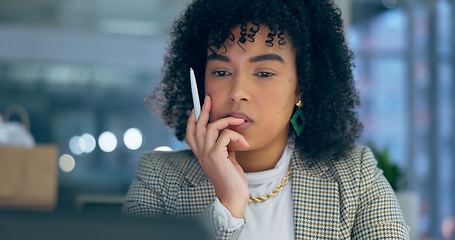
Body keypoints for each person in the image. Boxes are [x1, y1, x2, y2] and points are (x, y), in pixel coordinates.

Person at [122, 0, 410, 239]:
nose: (237, 93)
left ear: (302, 86)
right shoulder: (160, 179)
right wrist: (228, 207)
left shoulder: (354, 176)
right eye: (221, 72)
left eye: (263, 73)